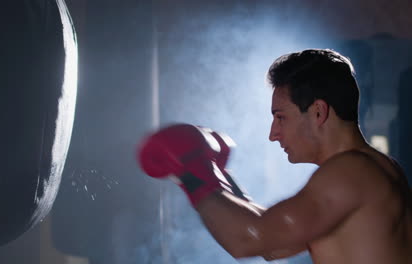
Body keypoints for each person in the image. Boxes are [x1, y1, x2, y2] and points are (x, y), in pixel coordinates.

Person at [137, 49, 412, 264]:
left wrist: (193, 173)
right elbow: (273, 244)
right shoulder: (373, 168)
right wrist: (218, 175)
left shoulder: (351, 172)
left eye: (281, 117)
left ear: (318, 112)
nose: (273, 133)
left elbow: (249, 238)